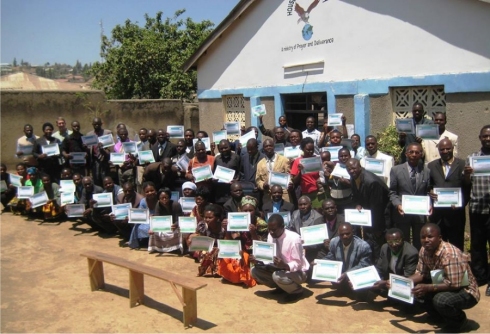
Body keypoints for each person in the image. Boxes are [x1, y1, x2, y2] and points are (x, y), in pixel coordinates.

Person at [408, 223, 480, 332]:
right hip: (443, 283)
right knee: (416, 290)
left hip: (465, 290)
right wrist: (402, 282)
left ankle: (460, 322)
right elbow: (420, 273)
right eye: (423, 237)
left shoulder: (450, 254)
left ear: (439, 238)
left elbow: (454, 284)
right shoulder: (424, 250)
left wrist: (427, 288)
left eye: (430, 237)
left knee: (441, 300)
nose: (426, 240)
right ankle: (439, 318)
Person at [251, 214, 310, 302]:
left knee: (277, 276)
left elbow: (298, 264)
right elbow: (269, 257)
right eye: (269, 229)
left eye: (274, 230)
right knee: (254, 271)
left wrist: (285, 265)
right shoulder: (271, 235)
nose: (271, 232)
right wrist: (258, 260)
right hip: (278, 269)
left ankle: (297, 291)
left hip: (299, 272)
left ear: (282, 227)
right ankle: (282, 287)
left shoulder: (294, 239)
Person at [428, 139, 469, 251]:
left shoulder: (462, 164)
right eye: (442, 149)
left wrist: (461, 204)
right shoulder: (431, 166)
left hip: (456, 215)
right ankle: (441, 269)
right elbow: (428, 186)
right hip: (438, 216)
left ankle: (457, 268)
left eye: (448, 148)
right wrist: (430, 193)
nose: (445, 151)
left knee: (457, 247)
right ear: (438, 150)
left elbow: (467, 188)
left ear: (453, 148)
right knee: (438, 248)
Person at [389, 142, 432, 249]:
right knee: (403, 242)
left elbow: (427, 191)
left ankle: (419, 263)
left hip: (419, 215)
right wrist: (398, 205)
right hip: (402, 213)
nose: (414, 154)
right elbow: (392, 192)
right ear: (406, 154)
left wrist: (430, 204)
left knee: (419, 242)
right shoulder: (396, 170)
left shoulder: (426, 171)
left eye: (417, 152)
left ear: (421, 154)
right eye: (411, 152)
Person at [346, 158, 390, 261]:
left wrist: (376, 228)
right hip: (368, 215)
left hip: (381, 216)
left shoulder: (371, 182)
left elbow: (377, 207)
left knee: (377, 244)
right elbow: (356, 196)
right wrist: (357, 204)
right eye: (349, 169)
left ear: (360, 167)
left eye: (354, 168)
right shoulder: (353, 177)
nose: (351, 171)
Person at [464, 124, 490, 295]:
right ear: (480, 138)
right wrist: (467, 175)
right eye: (485, 136)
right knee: (477, 245)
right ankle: (480, 277)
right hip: (477, 208)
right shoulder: (472, 159)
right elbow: (466, 185)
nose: (488, 139)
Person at [217, 196, 266, 287]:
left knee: (246, 263)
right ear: (240, 210)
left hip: (254, 253)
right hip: (240, 249)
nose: (248, 213)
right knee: (225, 255)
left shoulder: (261, 224)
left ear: (255, 210)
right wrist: (226, 229)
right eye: (245, 210)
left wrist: (253, 233)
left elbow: (261, 246)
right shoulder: (237, 220)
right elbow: (230, 241)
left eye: (250, 210)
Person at [322, 223, 372, 291]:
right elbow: (331, 256)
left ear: (353, 232)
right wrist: (319, 263)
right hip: (342, 276)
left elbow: (364, 265)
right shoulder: (334, 242)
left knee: (361, 296)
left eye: (347, 233)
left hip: (356, 276)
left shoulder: (363, 246)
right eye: (341, 235)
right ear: (338, 234)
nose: (345, 236)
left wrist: (347, 274)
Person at [372, 228, 418, 296]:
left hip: (403, 284)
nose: (393, 244)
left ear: (403, 239)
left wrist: (385, 283)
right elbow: (379, 268)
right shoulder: (384, 248)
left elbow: (407, 277)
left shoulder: (411, 253)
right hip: (388, 281)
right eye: (390, 242)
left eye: (397, 241)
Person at [188, 204, 226, 276]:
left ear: (218, 218)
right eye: (205, 217)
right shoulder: (202, 225)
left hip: (221, 249)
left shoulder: (223, 227)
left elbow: (227, 242)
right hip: (207, 248)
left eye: (210, 217)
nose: (207, 220)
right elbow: (197, 235)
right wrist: (191, 237)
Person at [147, 187, 184, 253]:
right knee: (153, 230)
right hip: (163, 227)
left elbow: (180, 220)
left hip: (174, 227)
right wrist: (153, 228)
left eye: (166, 197)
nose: (164, 200)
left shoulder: (176, 205)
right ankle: (157, 247)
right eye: (162, 198)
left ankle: (176, 248)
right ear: (159, 198)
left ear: (169, 197)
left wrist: (175, 224)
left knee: (180, 231)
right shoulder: (158, 205)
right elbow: (156, 219)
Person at [256, 139, 292, 204]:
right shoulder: (260, 164)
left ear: (274, 147)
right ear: (263, 149)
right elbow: (258, 180)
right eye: (266, 146)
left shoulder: (284, 160)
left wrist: (289, 183)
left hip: (283, 194)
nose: (268, 148)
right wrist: (263, 185)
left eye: (270, 146)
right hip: (268, 196)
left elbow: (289, 176)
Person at [288, 196, 323, 263]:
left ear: (311, 204)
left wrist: (305, 246)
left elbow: (319, 242)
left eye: (305, 204)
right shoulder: (295, 214)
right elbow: (290, 229)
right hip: (296, 246)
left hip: (311, 250)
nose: (302, 207)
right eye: (300, 205)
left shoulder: (318, 218)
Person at [291, 137, 323, 208]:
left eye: (312, 149)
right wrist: (300, 171)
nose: (311, 151)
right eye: (308, 150)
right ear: (303, 149)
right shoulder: (298, 161)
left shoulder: (317, 159)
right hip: (306, 193)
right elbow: (294, 181)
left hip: (319, 193)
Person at [86, 117, 112, 187]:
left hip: (104, 160)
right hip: (94, 160)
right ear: (92, 124)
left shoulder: (107, 133)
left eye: (98, 124)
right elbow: (88, 149)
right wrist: (85, 147)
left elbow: (110, 149)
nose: (96, 126)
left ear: (101, 124)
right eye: (95, 124)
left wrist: (102, 149)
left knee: (105, 178)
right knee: (96, 178)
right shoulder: (89, 135)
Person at [213, 139, 240, 205]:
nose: (224, 150)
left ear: (230, 147)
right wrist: (214, 179)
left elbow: (240, 171)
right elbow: (214, 173)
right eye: (221, 148)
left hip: (232, 191)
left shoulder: (236, 157)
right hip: (220, 193)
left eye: (226, 147)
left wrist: (237, 180)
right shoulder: (217, 159)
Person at [327, 148, 353, 212]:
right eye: (341, 156)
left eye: (346, 156)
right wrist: (327, 177)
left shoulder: (353, 169)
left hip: (347, 202)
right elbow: (329, 183)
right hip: (334, 203)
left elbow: (357, 186)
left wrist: (347, 183)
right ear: (338, 157)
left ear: (350, 156)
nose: (343, 158)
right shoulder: (334, 168)